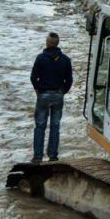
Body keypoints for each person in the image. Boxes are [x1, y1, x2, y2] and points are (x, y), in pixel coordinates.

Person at [30, 32, 73, 163]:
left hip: (43, 94)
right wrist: (63, 92)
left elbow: (33, 77)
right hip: (58, 95)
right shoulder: (65, 59)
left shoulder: (40, 58)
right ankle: (53, 156)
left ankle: (38, 157)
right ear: (57, 43)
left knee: (40, 126)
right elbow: (69, 80)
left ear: (47, 43)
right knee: (55, 126)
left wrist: (37, 90)